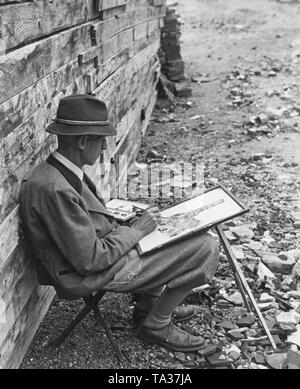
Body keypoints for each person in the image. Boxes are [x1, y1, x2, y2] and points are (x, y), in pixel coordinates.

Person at [19, 94, 220, 353]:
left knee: (172, 232)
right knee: (204, 247)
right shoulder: (55, 189)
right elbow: (89, 260)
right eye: (100, 140)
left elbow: (88, 222)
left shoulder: (60, 171)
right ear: (82, 141)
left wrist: (131, 223)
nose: (103, 147)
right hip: (88, 273)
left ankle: (149, 307)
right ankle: (157, 324)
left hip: (103, 255)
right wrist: (134, 231)